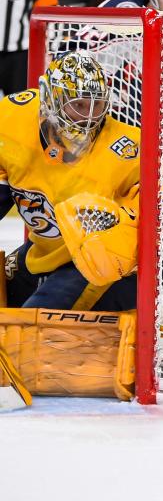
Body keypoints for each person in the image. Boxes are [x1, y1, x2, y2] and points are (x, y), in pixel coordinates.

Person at [0, 51, 139, 311]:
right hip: (43, 256)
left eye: (96, 105)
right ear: (52, 99)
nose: (88, 117)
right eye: (79, 104)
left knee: (27, 332)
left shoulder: (131, 149)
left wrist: (123, 239)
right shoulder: (10, 119)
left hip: (100, 270)